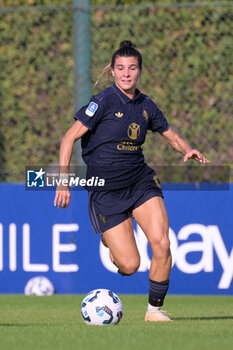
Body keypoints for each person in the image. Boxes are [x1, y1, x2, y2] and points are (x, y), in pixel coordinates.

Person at [54, 40, 209, 322]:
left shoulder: (147, 105)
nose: (126, 73)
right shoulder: (101, 102)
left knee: (161, 243)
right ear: (112, 71)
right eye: (121, 68)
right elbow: (68, 138)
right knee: (129, 265)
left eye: (132, 68)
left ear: (139, 72)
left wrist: (188, 150)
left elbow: (171, 136)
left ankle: (154, 311)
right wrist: (63, 182)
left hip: (140, 182)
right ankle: (111, 244)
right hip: (106, 192)